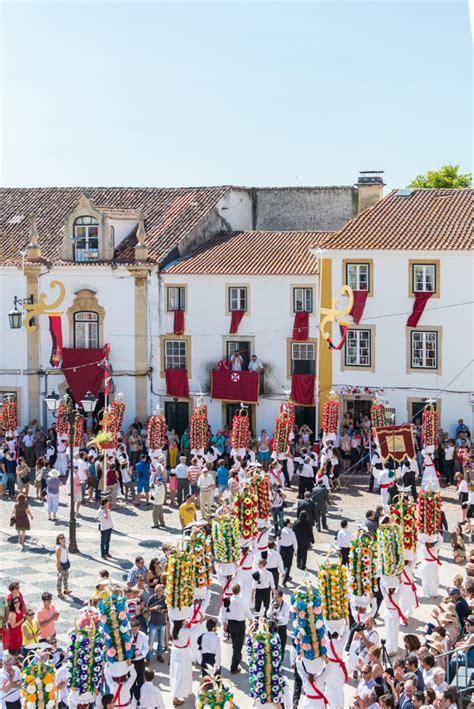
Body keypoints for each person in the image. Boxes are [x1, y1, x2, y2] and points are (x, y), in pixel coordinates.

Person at [223, 583, 253, 674]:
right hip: (240, 625)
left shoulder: (228, 600)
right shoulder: (243, 601)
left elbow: (224, 612)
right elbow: (248, 613)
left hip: (231, 625)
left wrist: (224, 623)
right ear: (239, 591)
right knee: (237, 646)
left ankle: (238, 657)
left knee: (235, 643)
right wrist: (251, 620)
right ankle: (233, 667)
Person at [169, 619, 197, 706]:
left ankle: (179, 692)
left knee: (175, 673)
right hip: (183, 653)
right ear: (181, 622)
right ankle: (176, 697)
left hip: (175, 651)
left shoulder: (173, 628)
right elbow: (195, 630)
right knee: (181, 674)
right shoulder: (185, 631)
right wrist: (199, 621)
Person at [146, 583, 167, 662]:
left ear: (162, 591)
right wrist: (154, 608)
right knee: (150, 642)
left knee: (161, 642)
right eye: (156, 591)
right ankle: (148, 657)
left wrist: (163, 610)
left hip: (162, 623)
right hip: (153, 623)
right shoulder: (152, 598)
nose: (158, 592)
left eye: (159, 591)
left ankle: (159, 655)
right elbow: (147, 609)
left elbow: (168, 609)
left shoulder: (165, 598)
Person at [130, 619, 149, 700]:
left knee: (140, 679)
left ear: (139, 627)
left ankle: (140, 698)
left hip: (139, 661)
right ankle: (131, 697)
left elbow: (146, 648)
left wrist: (140, 654)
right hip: (130, 661)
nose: (134, 631)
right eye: (132, 629)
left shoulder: (143, 635)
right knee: (131, 680)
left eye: (135, 629)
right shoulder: (127, 635)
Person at [266, 588, 289, 654]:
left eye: (277, 597)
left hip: (281, 629)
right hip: (272, 627)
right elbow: (267, 615)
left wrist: (277, 617)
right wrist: (271, 609)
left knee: (281, 648)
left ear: (281, 597)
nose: (275, 599)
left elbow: (286, 621)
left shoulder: (285, 606)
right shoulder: (272, 602)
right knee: (271, 647)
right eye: (274, 597)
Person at [278, 518, 297, 585]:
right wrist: (295, 551)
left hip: (282, 549)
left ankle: (285, 575)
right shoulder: (291, 532)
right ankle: (285, 580)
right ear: (288, 524)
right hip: (289, 549)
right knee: (288, 565)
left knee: (283, 563)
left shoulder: (280, 531)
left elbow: (278, 542)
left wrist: (278, 551)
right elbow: (294, 542)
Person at [55, 534, 71, 599]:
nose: (63, 540)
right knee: (60, 579)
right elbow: (58, 559)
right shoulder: (58, 548)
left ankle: (66, 589)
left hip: (66, 563)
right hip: (61, 565)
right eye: (61, 539)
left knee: (66, 577)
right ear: (58, 540)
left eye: (63, 538)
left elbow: (66, 555)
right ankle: (59, 593)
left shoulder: (65, 546)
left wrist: (67, 561)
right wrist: (58, 568)